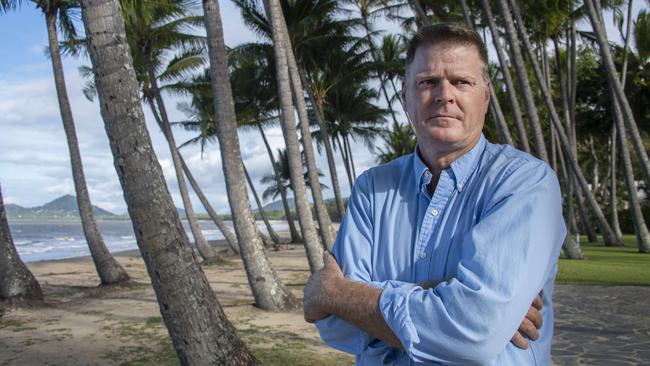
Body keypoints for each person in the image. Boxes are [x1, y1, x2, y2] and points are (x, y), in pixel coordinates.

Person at [303, 23, 565, 365]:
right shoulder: (372, 189)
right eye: (427, 82)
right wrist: (446, 300)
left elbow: (473, 332)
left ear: (484, 96)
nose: (445, 94)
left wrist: (338, 294)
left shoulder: (524, 182)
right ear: (405, 96)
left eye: (461, 81)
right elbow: (336, 327)